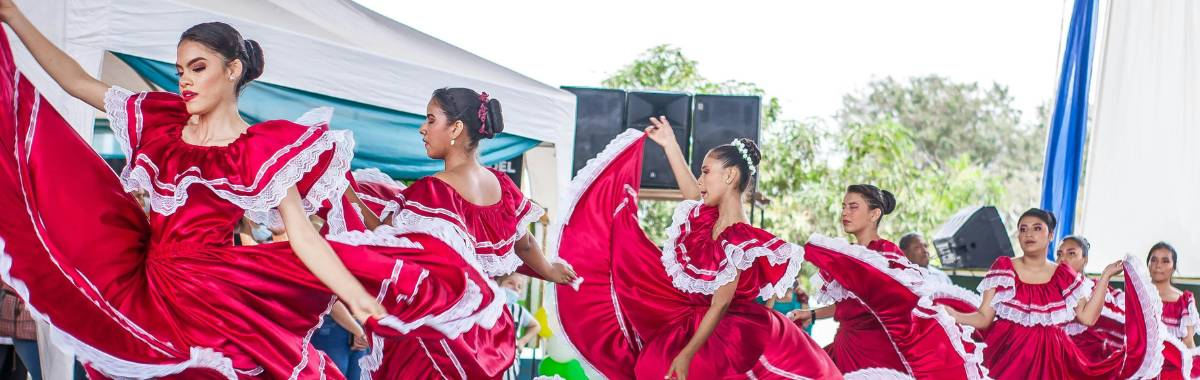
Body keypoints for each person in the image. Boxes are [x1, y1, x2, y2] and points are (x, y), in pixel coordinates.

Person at [0, 4, 497, 377]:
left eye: (197, 68)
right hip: (148, 285)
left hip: (214, 298)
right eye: (180, 71)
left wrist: (358, 299)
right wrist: (14, 17)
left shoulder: (259, 148)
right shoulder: (159, 120)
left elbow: (304, 238)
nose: (184, 82)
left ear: (232, 70)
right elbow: (75, 81)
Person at [549, 121, 841, 379]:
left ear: (729, 177)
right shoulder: (708, 222)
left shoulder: (739, 238)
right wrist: (670, 145)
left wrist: (687, 353)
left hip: (729, 334)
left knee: (665, 367)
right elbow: (691, 192)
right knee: (652, 362)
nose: (700, 181)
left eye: (706, 172)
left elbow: (721, 304)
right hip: (698, 324)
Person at [944, 208, 1163, 379]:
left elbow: (1087, 317)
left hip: (1053, 356)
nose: (1029, 233)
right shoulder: (1004, 267)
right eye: (1023, 229)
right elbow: (984, 318)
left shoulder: (1063, 274)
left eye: (1037, 228)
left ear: (1050, 235)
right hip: (1009, 351)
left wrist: (1105, 276)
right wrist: (953, 315)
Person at [796, 185, 984, 378]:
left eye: (853, 207)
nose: (845, 212)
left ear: (874, 214)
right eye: (843, 206)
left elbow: (900, 305)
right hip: (846, 347)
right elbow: (848, 305)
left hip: (876, 354)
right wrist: (811, 313)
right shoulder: (848, 255)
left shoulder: (887, 255)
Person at [1054, 235, 1126, 363]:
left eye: (1071, 253)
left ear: (1085, 260)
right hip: (1058, 359)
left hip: (1092, 360)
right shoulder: (1049, 289)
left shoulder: (1095, 287)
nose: (1062, 259)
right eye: (1059, 254)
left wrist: (1106, 275)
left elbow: (1112, 317)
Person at [1150, 242, 1200, 379]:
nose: (1158, 265)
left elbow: (1188, 342)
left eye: (1165, 261)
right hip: (1139, 368)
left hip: (1172, 371)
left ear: (1173, 267)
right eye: (1153, 259)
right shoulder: (1137, 297)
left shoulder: (1184, 301)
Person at [497, 273, 540, 380]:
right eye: (510, 283)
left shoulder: (519, 310)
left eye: (519, 286)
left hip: (511, 364)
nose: (515, 288)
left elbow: (536, 326)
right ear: (499, 284)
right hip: (489, 361)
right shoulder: (490, 306)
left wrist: (522, 342)